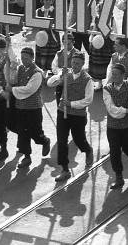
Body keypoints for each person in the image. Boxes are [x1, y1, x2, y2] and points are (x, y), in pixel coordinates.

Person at [47, 51, 94, 181]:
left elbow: (88, 100)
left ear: (83, 64)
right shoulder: (66, 74)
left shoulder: (87, 79)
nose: (75, 66)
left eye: (78, 63)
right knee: (62, 141)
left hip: (78, 115)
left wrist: (71, 104)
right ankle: (65, 169)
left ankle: (88, 150)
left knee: (79, 139)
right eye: (73, 63)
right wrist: (60, 76)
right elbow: (50, 83)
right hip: (62, 112)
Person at [7, 46, 50, 168]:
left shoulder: (37, 73)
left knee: (35, 133)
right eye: (22, 58)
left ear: (32, 58)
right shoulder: (20, 68)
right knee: (22, 131)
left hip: (33, 108)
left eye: (26, 58)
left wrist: (13, 89)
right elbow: (13, 80)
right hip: (20, 107)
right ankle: (27, 156)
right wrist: (11, 69)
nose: (24, 60)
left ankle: (44, 141)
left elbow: (29, 89)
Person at [103, 58, 128, 190]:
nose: (114, 77)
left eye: (116, 74)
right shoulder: (107, 89)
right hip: (112, 127)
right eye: (112, 74)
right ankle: (118, 177)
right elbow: (112, 110)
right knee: (114, 151)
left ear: (123, 75)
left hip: (127, 126)